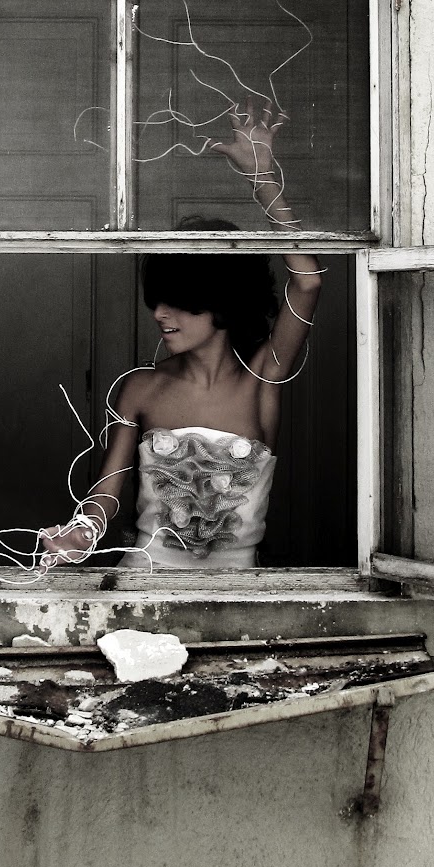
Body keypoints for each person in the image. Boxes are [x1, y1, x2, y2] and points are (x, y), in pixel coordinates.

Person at [40, 96, 321, 570]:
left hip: (239, 593)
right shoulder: (140, 387)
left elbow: (308, 281)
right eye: (157, 300)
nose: (159, 314)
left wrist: (262, 178)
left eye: (179, 301)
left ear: (222, 302)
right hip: (144, 582)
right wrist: (81, 531)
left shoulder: (263, 377)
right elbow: (106, 494)